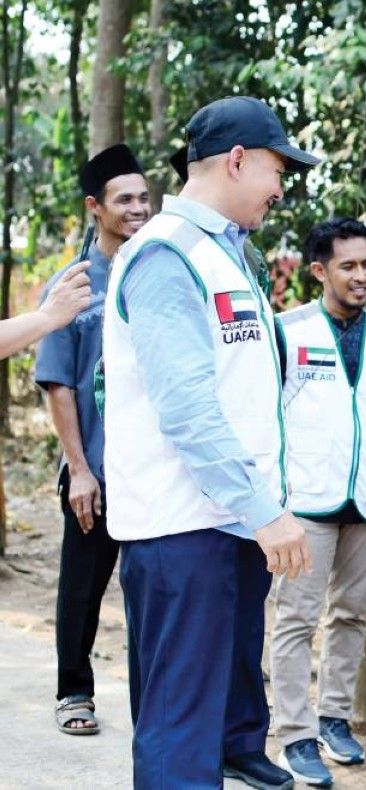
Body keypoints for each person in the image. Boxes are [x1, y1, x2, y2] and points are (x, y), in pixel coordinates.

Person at [103, 96, 320, 789]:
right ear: (236, 160)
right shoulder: (167, 255)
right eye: (277, 169)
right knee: (179, 737)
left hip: (224, 526)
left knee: (209, 729)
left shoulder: (231, 257)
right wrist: (264, 510)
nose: (281, 186)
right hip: (181, 531)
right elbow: (188, 408)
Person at [270, 218, 366, 787]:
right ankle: (294, 733)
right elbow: (266, 416)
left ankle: (334, 719)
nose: (363, 276)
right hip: (306, 500)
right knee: (295, 618)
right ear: (320, 271)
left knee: (352, 614)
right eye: (349, 266)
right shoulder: (288, 331)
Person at [36, 144, 150, 736]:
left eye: (143, 198)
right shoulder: (73, 285)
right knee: (81, 588)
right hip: (97, 471)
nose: (138, 209)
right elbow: (56, 383)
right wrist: (79, 469)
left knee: (152, 591)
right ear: (95, 208)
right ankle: (73, 692)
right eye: (124, 199)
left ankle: (153, 700)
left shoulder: (156, 274)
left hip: (154, 475)